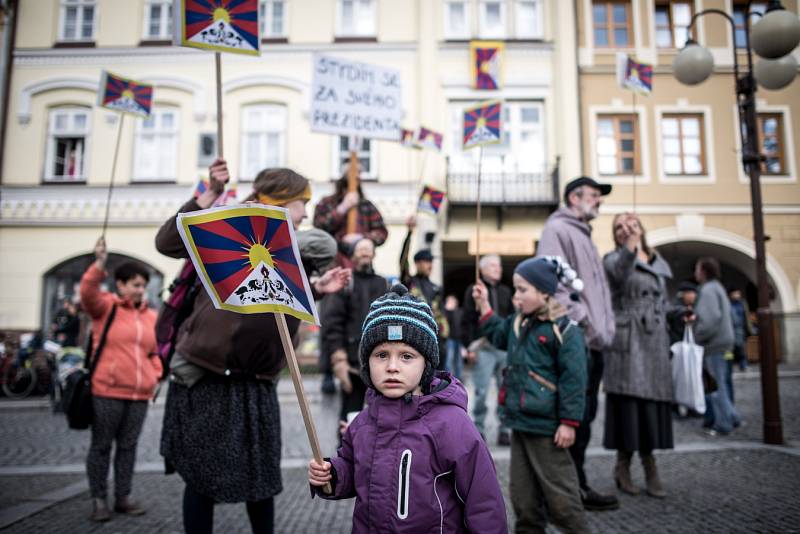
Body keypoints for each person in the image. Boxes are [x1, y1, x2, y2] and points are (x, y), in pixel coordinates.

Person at [156, 159, 350, 534]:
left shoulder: (287, 243)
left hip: (257, 379)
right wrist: (209, 195)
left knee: (261, 481)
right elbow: (167, 242)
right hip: (209, 375)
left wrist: (316, 288)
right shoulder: (226, 223)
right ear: (280, 200)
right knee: (202, 479)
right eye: (301, 203)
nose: (305, 213)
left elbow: (273, 296)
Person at [308, 284, 507, 533]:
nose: (392, 366)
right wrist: (332, 475)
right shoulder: (362, 422)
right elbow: (353, 468)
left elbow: (484, 502)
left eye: (406, 356)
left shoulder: (452, 424)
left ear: (427, 364)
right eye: (381, 355)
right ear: (366, 363)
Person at [474, 257, 588, 533]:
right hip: (520, 424)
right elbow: (498, 335)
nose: (516, 297)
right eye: (515, 290)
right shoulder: (518, 323)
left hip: (548, 429)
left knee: (561, 497)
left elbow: (574, 381)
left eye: (523, 290)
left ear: (545, 292)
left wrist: (568, 422)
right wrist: (485, 306)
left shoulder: (564, 331)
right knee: (523, 499)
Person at [536, 176, 618, 511]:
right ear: (574, 197)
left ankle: (573, 487)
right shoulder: (558, 229)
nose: (599, 201)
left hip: (593, 344)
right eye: (594, 195)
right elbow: (550, 281)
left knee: (583, 420)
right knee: (573, 419)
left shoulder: (582, 232)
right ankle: (566, 494)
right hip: (578, 342)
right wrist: (583, 319)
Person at [79, 237, 162, 522]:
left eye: (143, 285)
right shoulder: (106, 308)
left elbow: (154, 351)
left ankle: (123, 496)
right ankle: (98, 499)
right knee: (101, 446)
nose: (141, 290)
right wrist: (99, 263)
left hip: (139, 394)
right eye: (136, 285)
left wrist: (155, 373)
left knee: (128, 448)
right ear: (121, 285)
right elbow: (87, 291)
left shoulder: (151, 316)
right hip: (107, 390)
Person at [602, 213, 674, 499]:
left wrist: (681, 315)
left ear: (642, 228)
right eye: (618, 227)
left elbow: (663, 302)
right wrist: (630, 247)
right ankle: (623, 465)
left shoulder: (658, 261)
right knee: (629, 406)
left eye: (630, 225)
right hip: (629, 339)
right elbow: (619, 274)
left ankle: (650, 463)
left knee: (650, 406)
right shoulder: (613, 259)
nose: (624, 229)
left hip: (654, 339)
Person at [321, 237, 388, 436]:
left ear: (374, 254)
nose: (366, 252)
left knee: (382, 416)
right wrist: (338, 358)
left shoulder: (383, 284)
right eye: (361, 249)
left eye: (369, 248)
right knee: (350, 415)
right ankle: (346, 460)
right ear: (353, 256)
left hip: (380, 362)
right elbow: (333, 323)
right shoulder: (346, 282)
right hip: (351, 364)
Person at [461, 254, 514, 445]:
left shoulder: (506, 291)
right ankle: (480, 428)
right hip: (482, 347)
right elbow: (466, 320)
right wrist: (469, 346)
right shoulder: (473, 290)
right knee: (481, 391)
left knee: (505, 389)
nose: (497, 269)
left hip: (502, 348)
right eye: (493, 266)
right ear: (482, 269)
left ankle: (505, 429)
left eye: (499, 266)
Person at [693, 257, 741, 436]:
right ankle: (733, 417)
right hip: (725, 344)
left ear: (704, 271)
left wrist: (697, 337)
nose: (695, 273)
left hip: (714, 345)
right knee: (723, 383)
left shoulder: (707, 290)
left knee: (716, 386)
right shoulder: (718, 287)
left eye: (697, 269)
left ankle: (724, 424)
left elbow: (709, 320)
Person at [399, 215, 448, 363]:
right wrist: (409, 233)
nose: (430, 265)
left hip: (436, 339)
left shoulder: (436, 287)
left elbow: (441, 312)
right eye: (426, 262)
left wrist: (445, 333)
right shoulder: (409, 282)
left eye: (431, 262)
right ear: (417, 263)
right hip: (415, 335)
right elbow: (402, 261)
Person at [312, 172, 388, 266]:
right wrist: (342, 209)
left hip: (361, 267)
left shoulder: (366, 206)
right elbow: (319, 227)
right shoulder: (327, 203)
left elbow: (382, 233)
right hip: (332, 262)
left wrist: (361, 238)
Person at [729, 288, 753, 373]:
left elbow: (746, 316)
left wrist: (749, 328)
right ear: (731, 295)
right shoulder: (728, 304)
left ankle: (743, 365)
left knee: (742, 349)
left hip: (741, 329)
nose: (737, 295)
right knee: (729, 350)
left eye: (738, 293)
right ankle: (729, 365)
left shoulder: (743, 303)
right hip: (730, 330)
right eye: (735, 293)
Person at [667, 281, 698, 345]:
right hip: (677, 345)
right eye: (692, 293)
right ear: (684, 294)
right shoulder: (677, 308)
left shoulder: (691, 306)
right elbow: (675, 313)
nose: (695, 296)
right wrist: (687, 312)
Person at [443, 294, 465, 380]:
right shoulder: (444, 312)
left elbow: (463, 326)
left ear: (456, 303)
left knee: (459, 361)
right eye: (449, 301)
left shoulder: (460, 312)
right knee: (449, 359)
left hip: (459, 339)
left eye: (452, 301)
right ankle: (447, 379)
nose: (451, 303)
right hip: (449, 339)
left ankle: (458, 379)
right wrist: (447, 310)